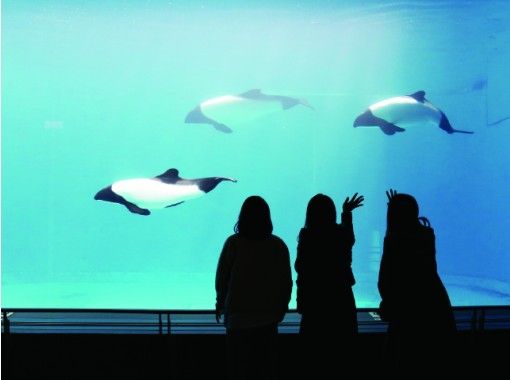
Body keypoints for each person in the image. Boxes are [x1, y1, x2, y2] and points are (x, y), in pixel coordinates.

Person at [378, 189, 456, 374]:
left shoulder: (395, 239)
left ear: (394, 215)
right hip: (435, 306)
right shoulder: (427, 235)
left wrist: (388, 303)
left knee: (402, 362)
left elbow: (385, 280)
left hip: (408, 313)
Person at [215, 195, 293, 380]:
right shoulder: (278, 245)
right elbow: (286, 282)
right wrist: (281, 308)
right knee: (265, 370)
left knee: (238, 370)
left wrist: (220, 302)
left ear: (242, 217)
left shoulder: (233, 243)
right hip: (268, 320)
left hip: (237, 321)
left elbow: (222, 278)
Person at [294, 192, 364, 377]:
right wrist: (346, 213)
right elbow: (350, 238)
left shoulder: (307, 235)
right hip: (341, 300)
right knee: (342, 354)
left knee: (314, 357)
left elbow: (301, 270)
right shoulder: (341, 234)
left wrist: (300, 302)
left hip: (314, 303)